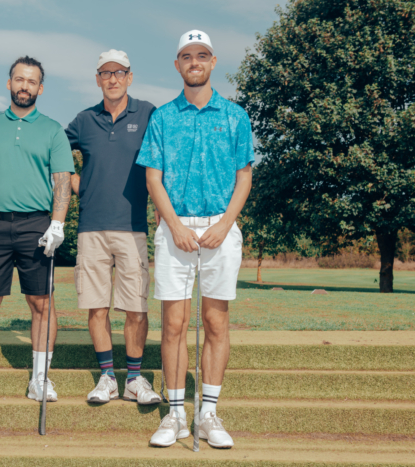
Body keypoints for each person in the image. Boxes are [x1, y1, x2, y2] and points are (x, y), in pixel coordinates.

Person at [136, 31, 254, 448]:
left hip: (222, 226)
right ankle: (174, 415)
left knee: (215, 321)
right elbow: (153, 177)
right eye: (186, 56)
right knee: (174, 323)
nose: (194, 62)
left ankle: (208, 413)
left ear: (213, 61)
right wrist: (175, 226)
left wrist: (224, 223)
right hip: (176, 227)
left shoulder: (235, 115)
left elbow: (244, 175)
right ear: (177, 65)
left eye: (201, 55)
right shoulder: (164, 117)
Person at [0, 56, 74, 403]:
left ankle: (40, 378)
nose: (25, 86)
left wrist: (57, 222)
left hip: (37, 225)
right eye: (19, 79)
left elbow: (62, 181)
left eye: (32, 81)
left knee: (41, 303)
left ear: (40, 88)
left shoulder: (53, 129)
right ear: (9, 83)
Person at [64, 50, 159, 405]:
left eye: (119, 72)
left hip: (133, 226)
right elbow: (56, 152)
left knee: (136, 307)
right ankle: (107, 377)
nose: (113, 79)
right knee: (96, 306)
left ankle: (134, 378)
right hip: (91, 227)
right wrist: (78, 184)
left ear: (129, 77)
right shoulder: (84, 120)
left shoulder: (149, 113)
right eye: (105, 73)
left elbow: (166, 156)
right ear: (98, 79)